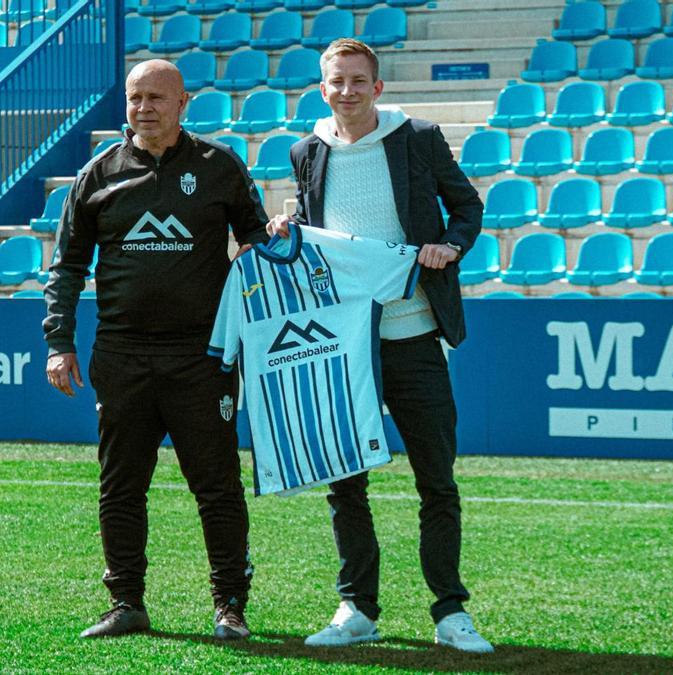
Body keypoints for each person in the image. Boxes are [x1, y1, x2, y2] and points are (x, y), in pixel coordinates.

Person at [268, 38, 493, 653]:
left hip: (414, 333)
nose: (347, 91)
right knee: (345, 484)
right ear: (323, 89)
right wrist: (288, 227)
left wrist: (450, 245)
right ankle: (357, 609)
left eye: (358, 81)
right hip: (343, 342)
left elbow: (467, 207)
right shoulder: (305, 151)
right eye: (336, 81)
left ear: (378, 87)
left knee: (436, 482)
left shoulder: (417, 137)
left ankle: (450, 614)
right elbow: (315, 233)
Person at [43, 59, 269, 641]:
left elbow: (259, 242)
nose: (144, 108)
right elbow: (67, 267)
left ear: (183, 102)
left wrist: (275, 246)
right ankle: (126, 603)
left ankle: (230, 606)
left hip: (203, 357)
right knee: (120, 485)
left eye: (156, 98)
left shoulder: (219, 167)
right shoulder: (98, 174)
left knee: (216, 485)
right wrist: (59, 342)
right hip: (121, 355)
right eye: (135, 97)